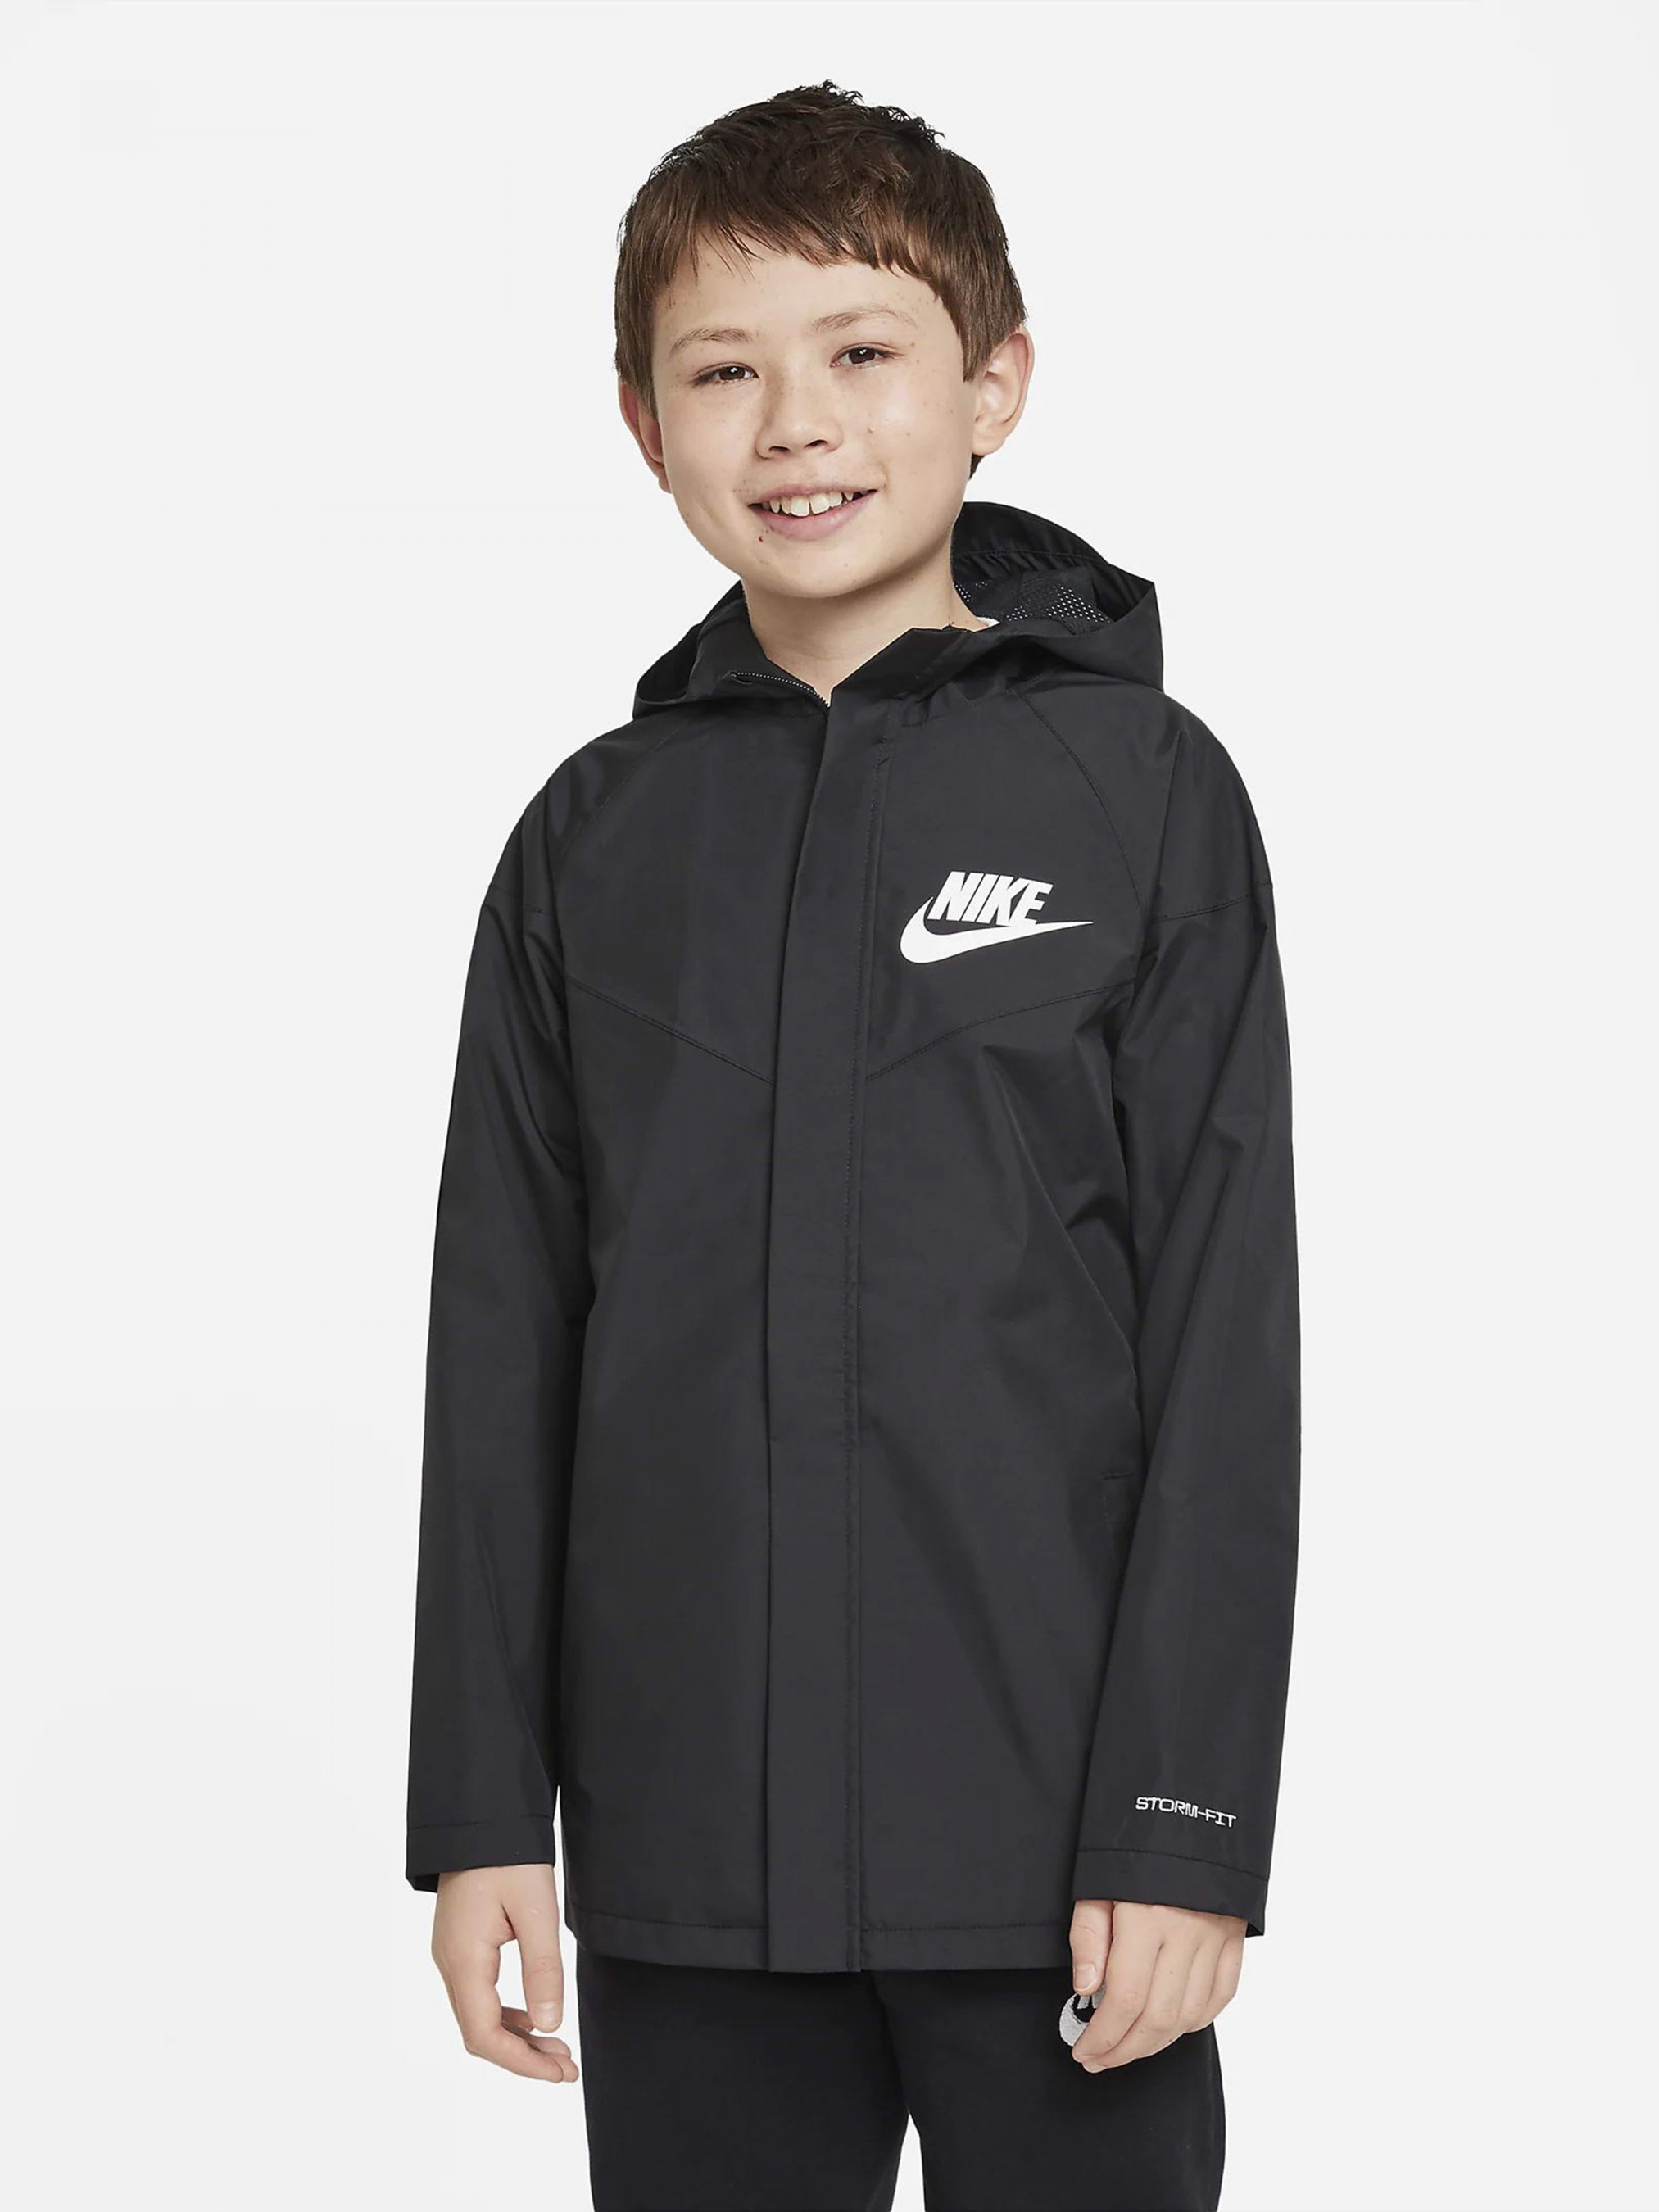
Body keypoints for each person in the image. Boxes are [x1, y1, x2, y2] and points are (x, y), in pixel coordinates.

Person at [406, 79, 1299, 2212]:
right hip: (685, 1855)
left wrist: (1183, 1828)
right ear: (645, 428)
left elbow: (1221, 1338)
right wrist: (479, 1811)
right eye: (724, 371)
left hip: (1058, 1864)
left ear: (992, 385)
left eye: (863, 350)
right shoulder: (590, 840)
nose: (795, 422)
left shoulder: (1142, 794)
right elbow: (501, 1341)